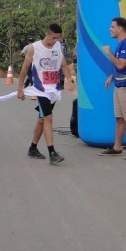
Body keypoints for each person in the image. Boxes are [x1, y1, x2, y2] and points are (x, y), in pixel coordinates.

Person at [17, 23, 74, 165]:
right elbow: (24, 69)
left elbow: (64, 65)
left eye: (58, 38)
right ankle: (52, 153)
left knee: (42, 119)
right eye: (54, 37)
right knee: (48, 118)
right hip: (40, 90)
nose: (56, 40)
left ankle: (32, 148)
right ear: (47, 34)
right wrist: (20, 89)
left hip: (53, 90)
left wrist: (69, 79)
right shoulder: (34, 48)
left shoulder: (58, 47)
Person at [98, 17, 126, 157]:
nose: (110, 29)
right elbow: (121, 67)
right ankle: (117, 148)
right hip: (119, 86)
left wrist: (109, 53)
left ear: (120, 28)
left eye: (112, 26)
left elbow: (121, 64)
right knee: (120, 118)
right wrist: (112, 76)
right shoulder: (121, 44)